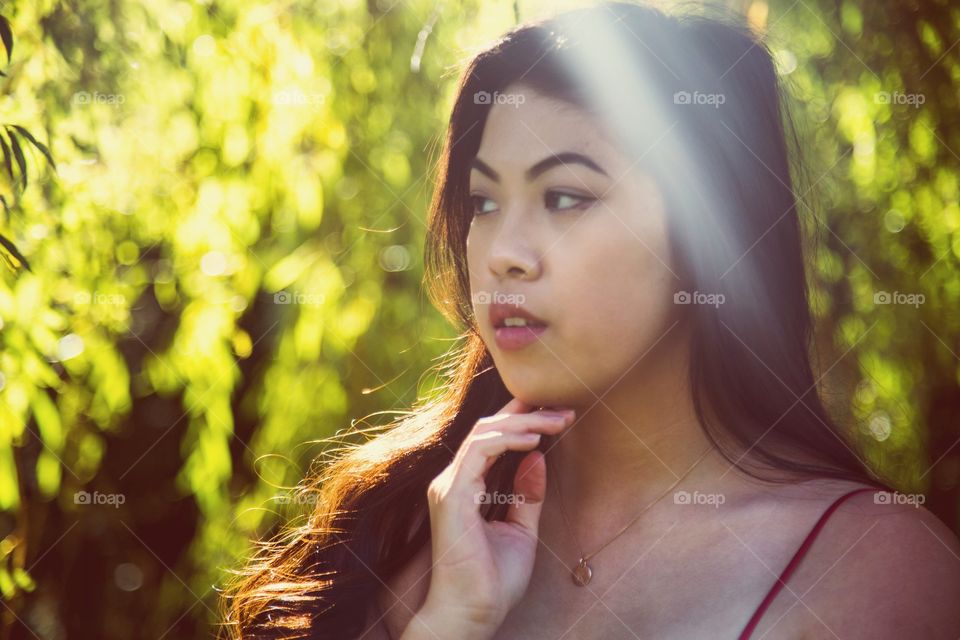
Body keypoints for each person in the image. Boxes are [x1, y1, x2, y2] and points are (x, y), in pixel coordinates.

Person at [221, 3, 960, 638]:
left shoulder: (873, 568)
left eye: (565, 197)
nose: (502, 255)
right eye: (482, 203)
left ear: (708, 231)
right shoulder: (391, 531)